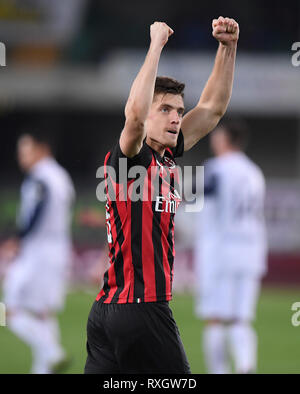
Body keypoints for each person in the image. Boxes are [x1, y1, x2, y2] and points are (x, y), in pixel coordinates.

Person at [85, 17, 239, 374]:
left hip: (107, 313)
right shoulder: (129, 159)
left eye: (179, 112)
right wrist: (155, 45)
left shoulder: (166, 157)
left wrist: (228, 48)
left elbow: (213, 108)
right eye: (165, 110)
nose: (175, 119)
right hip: (143, 308)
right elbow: (135, 117)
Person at [194, 120, 268, 374]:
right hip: (251, 251)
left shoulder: (215, 168)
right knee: (241, 317)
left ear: (224, 139)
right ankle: (247, 365)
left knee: (215, 317)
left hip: (220, 251)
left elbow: (199, 201)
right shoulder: (255, 172)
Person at [1, 131, 75, 374]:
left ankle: (52, 351)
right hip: (58, 250)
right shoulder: (62, 176)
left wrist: (17, 239)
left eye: (26, 151)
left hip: (36, 252)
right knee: (44, 313)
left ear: (42, 150)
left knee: (6, 311)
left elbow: (36, 213)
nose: (21, 158)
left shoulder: (40, 178)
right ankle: (43, 368)